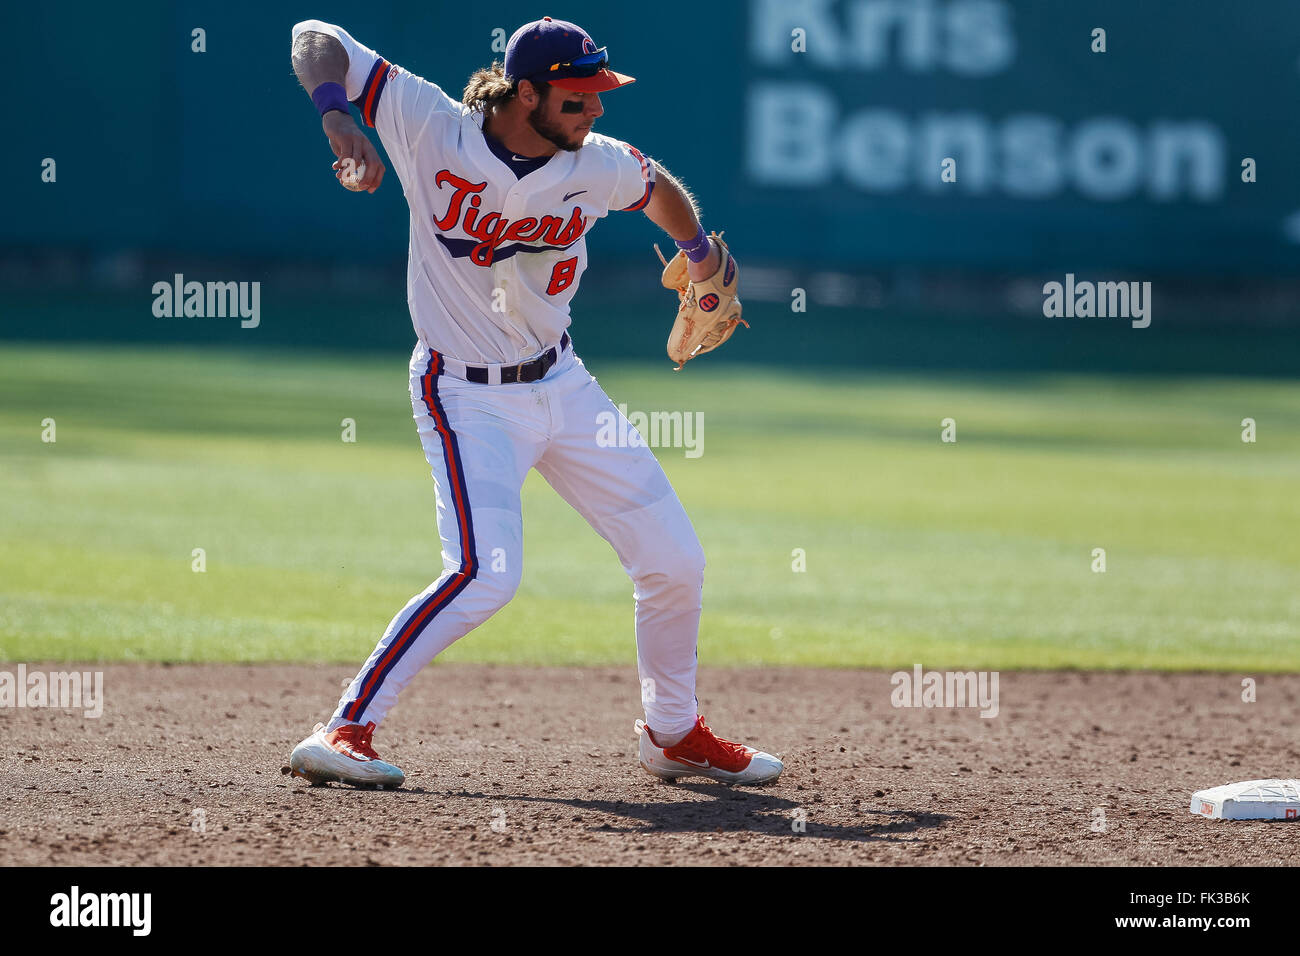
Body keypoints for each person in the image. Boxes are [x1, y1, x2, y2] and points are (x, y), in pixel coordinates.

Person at [286, 16, 782, 788]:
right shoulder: (429, 126)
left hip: (563, 383)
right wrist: (336, 113)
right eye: (580, 98)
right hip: (463, 393)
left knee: (675, 560)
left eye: (598, 96)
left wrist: (699, 252)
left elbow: (659, 191)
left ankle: (674, 732)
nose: (596, 111)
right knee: (487, 574)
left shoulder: (598, 163)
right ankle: (345, 727)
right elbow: (315, 35)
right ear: (527, 93)